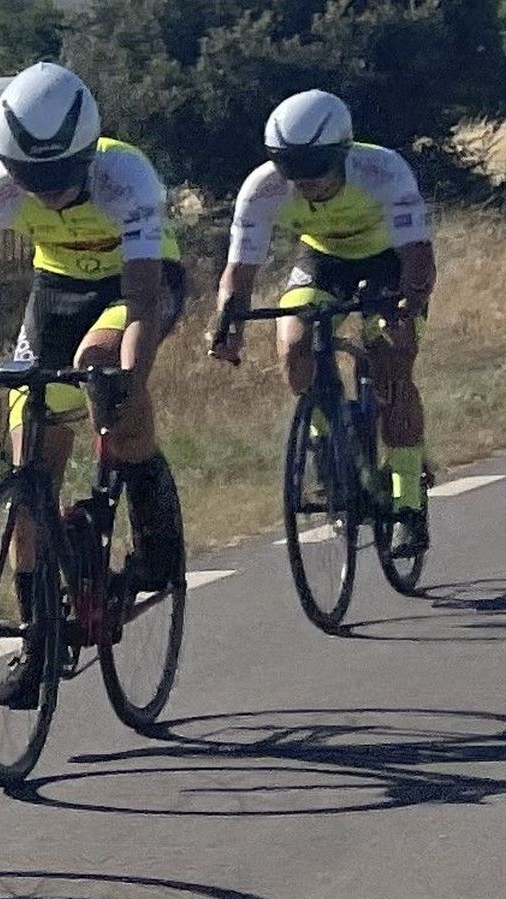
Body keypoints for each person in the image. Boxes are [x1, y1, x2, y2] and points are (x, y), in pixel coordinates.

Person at [0, 62, 187, 710]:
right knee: (28, 470)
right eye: (32, 179)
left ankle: (154, 526)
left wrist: (128, 385)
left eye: (59, 178)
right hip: (57, 295)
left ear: (86, 153)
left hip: (135, 283)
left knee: (101, 365)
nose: (46, 193)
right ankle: (39, 637)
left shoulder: (124, 175)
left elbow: (141, 305)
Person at [210, 89, 436, 555]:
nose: (305, 183)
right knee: (292, 342)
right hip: (322, 260)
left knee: (392, 365)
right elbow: (240, 272)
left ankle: (409, 502)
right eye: (292, 170)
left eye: (316, 170)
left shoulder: (383, 169)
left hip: (387, 263)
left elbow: (418, 256)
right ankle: (325, 442)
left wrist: (405, 311)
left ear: (343, 152)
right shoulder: (264, 186)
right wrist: (227, 324)